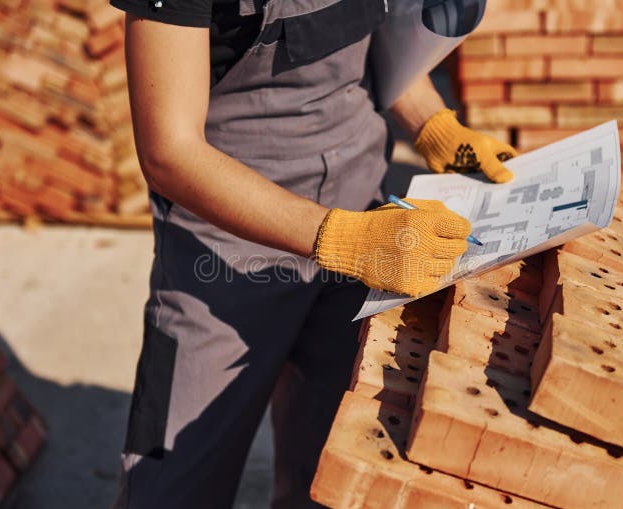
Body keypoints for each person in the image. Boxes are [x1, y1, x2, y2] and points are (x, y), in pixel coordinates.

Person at [109, 1, 516, 507]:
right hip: (228, 249)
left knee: (331, 470)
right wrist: (342, 239)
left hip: (365, 210)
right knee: (173, 481)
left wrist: (433, 126)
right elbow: (169, 152)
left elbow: (374, 42)